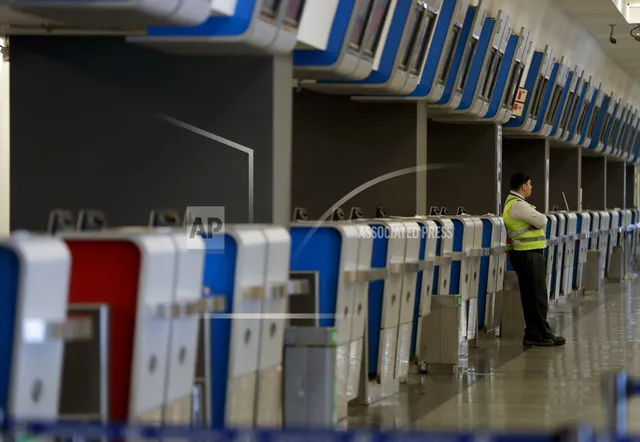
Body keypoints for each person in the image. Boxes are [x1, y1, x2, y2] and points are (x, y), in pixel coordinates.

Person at [503, 172, 566, 347]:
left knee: (531, 296)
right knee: (537, 296)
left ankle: (534, 333)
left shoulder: (515, 204)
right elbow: (542, 220)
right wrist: (536, 221)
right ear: (523, 186)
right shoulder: (517, 205)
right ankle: (544, 333)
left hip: (525, 254)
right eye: (530, 184)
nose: (531, 187)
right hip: (528, 253)